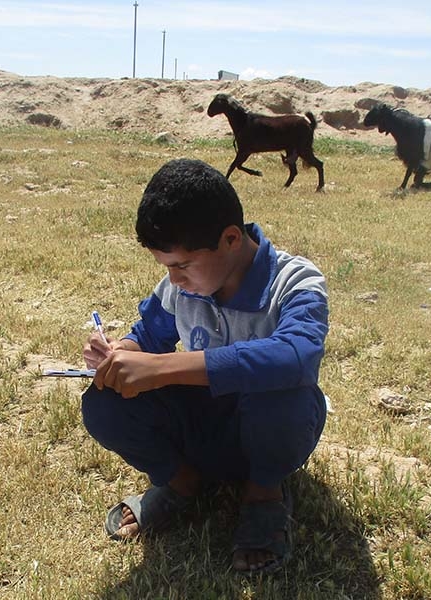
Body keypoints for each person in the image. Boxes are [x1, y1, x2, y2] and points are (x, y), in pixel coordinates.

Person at [81, 158, 329, 575]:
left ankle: (264, 493)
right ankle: (182, 483)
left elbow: (296, 355)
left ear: (231, 239)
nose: (174, 279)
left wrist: (164, 367)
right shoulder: (181, 285)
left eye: (181, 265)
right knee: (105, 400)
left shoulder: (295, 281)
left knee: (284, 392)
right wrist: (121, 352)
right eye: (166, 267)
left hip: (269, 430)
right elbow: (150, 335)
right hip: (201, 429)